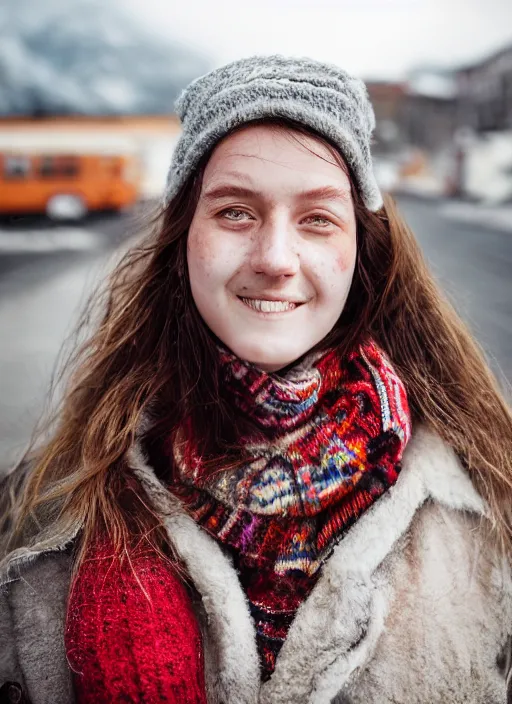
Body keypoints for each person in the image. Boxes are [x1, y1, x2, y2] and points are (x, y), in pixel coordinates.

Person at [1, 55, 511, 704]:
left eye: (317, 218)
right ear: (184, 239)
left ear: (362, 249)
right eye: (236, 212)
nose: (275, 259)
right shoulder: (41, 515)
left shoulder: (489, 503)